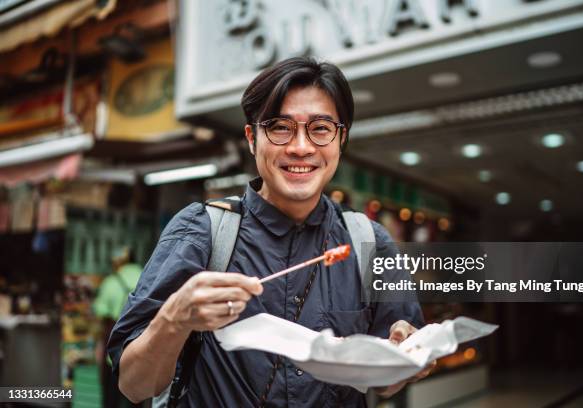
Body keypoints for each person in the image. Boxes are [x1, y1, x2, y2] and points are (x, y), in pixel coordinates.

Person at [108, 57, 432, 407]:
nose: (301, 147)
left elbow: (387, 384)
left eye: (321, 128)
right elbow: (133, 384)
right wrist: (176, 317)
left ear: (342, 139)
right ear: (252, 138)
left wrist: (406, 360)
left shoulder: (371, 244)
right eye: (280, 127)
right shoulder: (200, 231)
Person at [93, 246, 143, 408]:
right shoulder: (148, 277)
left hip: (115, 353)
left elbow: (102, 317)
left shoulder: (111, 281)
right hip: (143, 350)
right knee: (137, 400)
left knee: (111, 400)